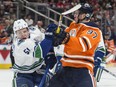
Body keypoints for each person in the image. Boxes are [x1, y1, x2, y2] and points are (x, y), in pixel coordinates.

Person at [48, 3, 103, 87]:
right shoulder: (72, 26)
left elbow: (82, 45)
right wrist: (55, 41)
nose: (75, 15)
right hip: (65, 69)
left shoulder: (93, 30)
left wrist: (65, 38)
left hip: (82, 71)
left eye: (78, 13)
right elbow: (62, 40)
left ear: (86, 15)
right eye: (75, 13)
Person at [10, 19, 57, 87]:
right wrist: (49, 36)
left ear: (28, 30)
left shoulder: (34, 32)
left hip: (39, 70)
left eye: (24, 31)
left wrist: (50, 52)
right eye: (19, 33)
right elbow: (39, 53)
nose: (23, 34)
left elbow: (44, 40)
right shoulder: (19, 44)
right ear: (16, 34)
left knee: (55, 82)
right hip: (23, 74)